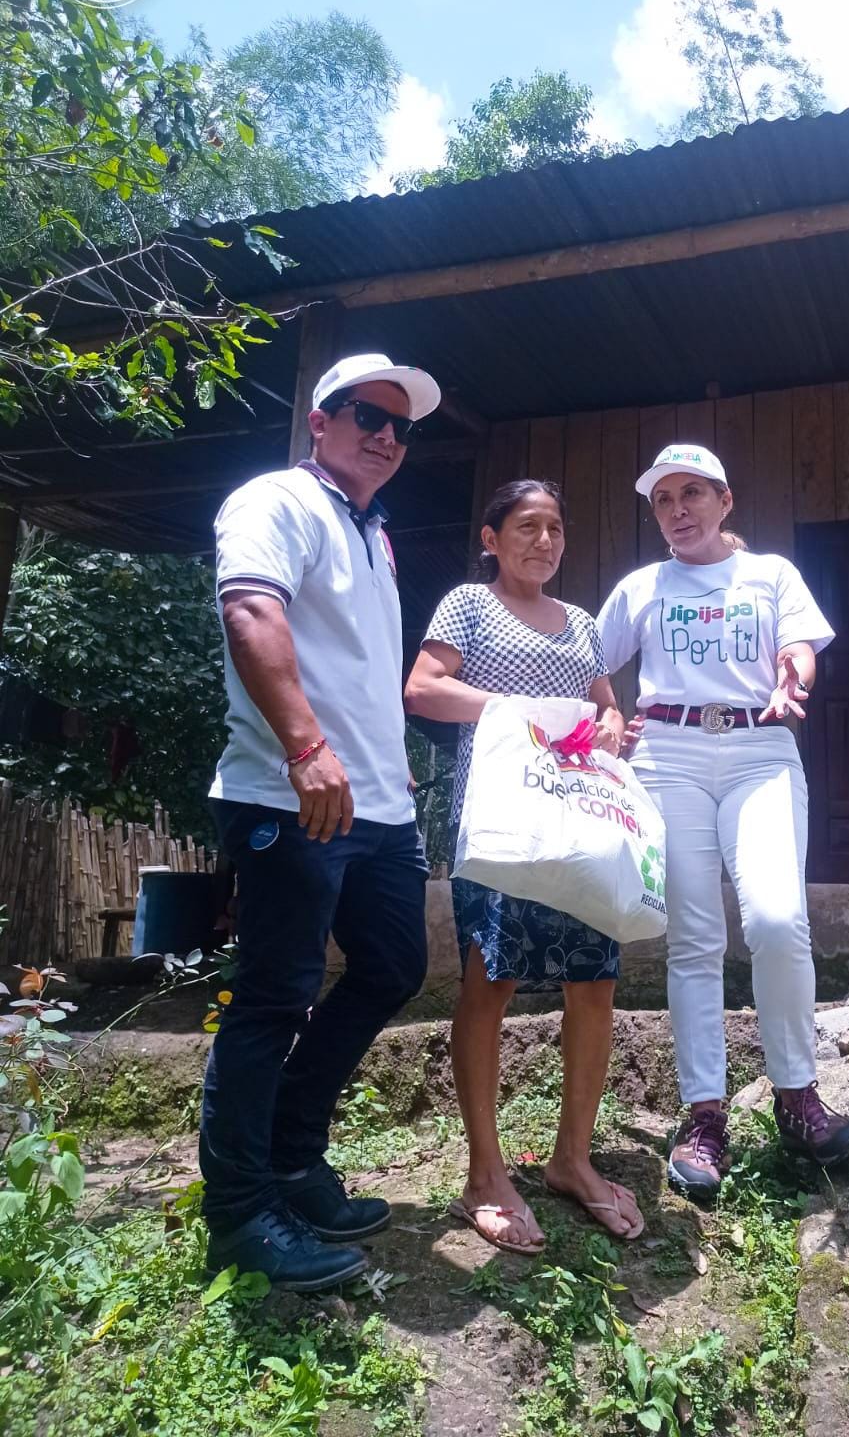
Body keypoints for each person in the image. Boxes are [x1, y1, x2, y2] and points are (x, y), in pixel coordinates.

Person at [200, 351, 439, 1291]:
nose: (385, 436)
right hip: (288, 794)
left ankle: (292, 1160)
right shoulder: (277, 501)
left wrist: (388, 761)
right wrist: (305, 749)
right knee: (274, 997)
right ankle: (240, 1214)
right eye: (366, 416)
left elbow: (359, 668)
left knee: (393, 967)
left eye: (400, 427)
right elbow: (252, 614)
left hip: (377, 803)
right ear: (320, 420)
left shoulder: (373, 532)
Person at [596, 443, 849, 1194]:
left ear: (724, 501)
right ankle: (704, 1116)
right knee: (695, 937)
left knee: (777, 919)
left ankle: (797, 1096)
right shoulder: (642, 587)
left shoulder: (769, 574)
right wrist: (610, 713)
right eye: (663, 500)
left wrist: (792, 674)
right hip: (668, 755)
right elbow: (589, 660)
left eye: (692, 494)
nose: (678, 510)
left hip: (759, 749)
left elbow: (800, 649)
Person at [404, 479, 644, 1254]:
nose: (543, 541)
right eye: (526, 527)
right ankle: (485, 1173)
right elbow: (422, 689)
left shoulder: (580, 624)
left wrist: (611, 725)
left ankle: (572, 1159)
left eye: (555, 530)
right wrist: (515, 709)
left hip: (575, 822)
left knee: (594, 983)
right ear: (492, 538)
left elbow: (606, 705)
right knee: (491, 981)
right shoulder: (468, 607)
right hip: (500, 820)